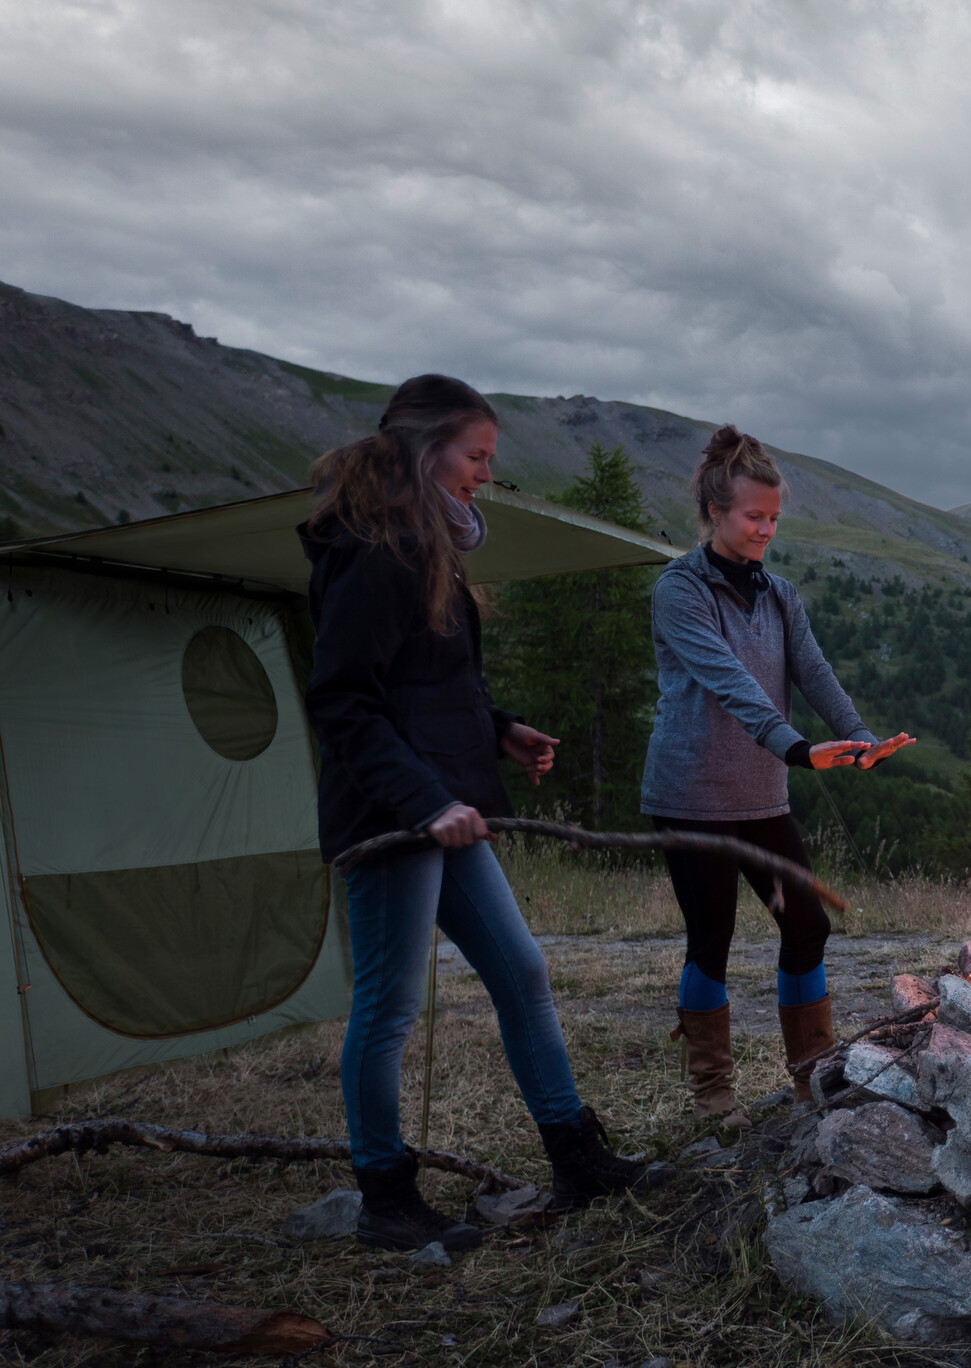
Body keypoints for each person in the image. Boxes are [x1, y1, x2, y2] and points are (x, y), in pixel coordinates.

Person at [301, 374, 666, 1252]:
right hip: (394, 816)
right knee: (388, 1008)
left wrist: (500, 730)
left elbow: (427, 684)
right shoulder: (370, 550)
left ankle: (575, 1157)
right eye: (477, 456)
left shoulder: (424, 549)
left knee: (523, 971)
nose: (485, 476)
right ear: (428, 453)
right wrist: (425, 800)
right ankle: (385, 1196)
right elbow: (344, 700)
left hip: (444, 803)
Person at [643, 425, 914, 1125]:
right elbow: (729, 682)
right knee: (712, 939)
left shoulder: (779, 594)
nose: (765, 530)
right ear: (715, 513)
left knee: (807, 930)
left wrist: (857, 736)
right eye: (752, 517)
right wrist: (795, 747)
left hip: (761, 796)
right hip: (692, 796)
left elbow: (813, 671)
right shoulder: (679, 591)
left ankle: (812, 1081)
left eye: (773, 519)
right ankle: (714, 1099)